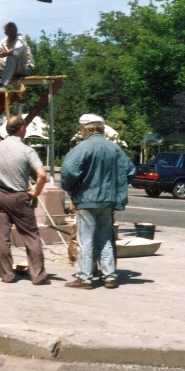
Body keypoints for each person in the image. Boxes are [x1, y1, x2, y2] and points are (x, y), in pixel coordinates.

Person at [60, 113, 136, 289]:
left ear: (84, 128)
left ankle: (84, 278)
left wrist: (68, 186)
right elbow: (130, 171)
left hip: (86, 200)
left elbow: (68, 171)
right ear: (101, 129)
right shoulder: (115, 148)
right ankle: (109, 276)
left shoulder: (81, 148)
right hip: (108, 202)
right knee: (106, 238)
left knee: (85, 239)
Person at [0, 115, 49, 285]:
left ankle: (6, 275)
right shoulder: (27, 150)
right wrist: (35, 193)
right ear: (21, 129)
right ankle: (38, 276)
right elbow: (42, 174)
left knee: (2, 236)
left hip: (0, 195)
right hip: (19, 196)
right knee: (31, 235)